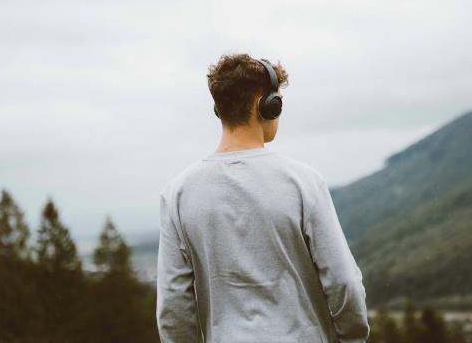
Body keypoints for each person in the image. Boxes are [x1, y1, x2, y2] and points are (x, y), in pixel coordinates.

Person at [156, 53, 370, 343]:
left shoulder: (178, 194)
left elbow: (173, 308)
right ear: (266, 105)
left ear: (221, 110)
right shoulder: (303, 182)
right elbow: (344, 283)